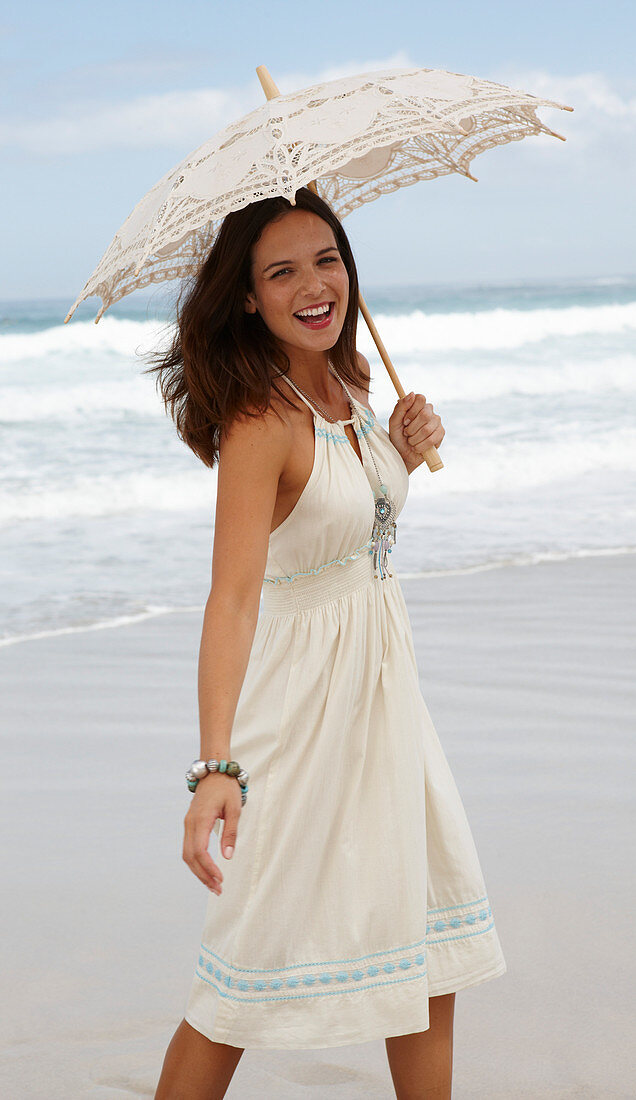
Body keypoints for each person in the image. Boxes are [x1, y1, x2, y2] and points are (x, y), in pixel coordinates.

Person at [149, 187, 506, 1099]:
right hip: (305, 715)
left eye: (327, 260)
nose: (314, 285)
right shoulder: (261, 419)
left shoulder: (348, 384)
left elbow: (352, 530)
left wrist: (397, 444)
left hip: (386, 702)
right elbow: (230, 599)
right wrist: (214, 767)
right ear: (248, 296)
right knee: (246, 961)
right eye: (282, 272)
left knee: (425, 949)